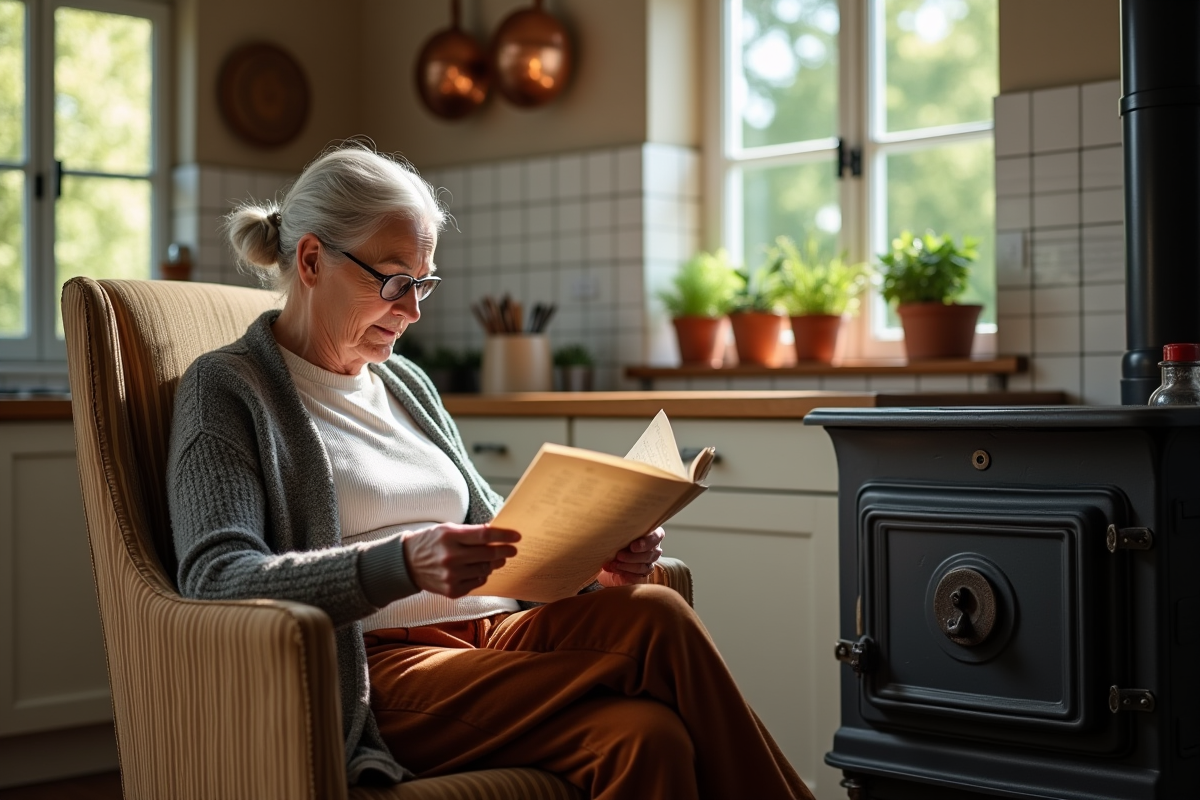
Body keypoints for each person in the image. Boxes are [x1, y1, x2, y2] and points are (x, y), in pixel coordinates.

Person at [167, 142, 814, 800]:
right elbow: (215, 578)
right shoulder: (229, 387)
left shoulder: (407, 383)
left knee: (652, 665)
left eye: (424, 283)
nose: (414, 311)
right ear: (310, 260)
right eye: (395, 282)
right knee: (654, 685)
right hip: (379, 664)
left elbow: (496, 525)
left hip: (497, 634)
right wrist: (403, 563)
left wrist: (596, 557)